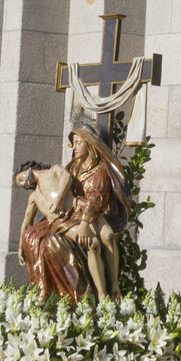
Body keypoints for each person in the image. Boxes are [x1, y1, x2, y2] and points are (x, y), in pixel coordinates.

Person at [66, 125, 130, 301]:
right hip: (74, 212)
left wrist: (85, 224)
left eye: (79, 142)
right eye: (74, 143)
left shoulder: (99, 170)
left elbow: (96, 198)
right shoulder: (73, 168)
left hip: (91, 214)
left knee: (109, 236)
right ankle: (102, 294)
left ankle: (115, 285)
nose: (75, 147)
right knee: (93, 245)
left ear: (90, 145)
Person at [15, 159, 88, 302]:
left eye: (22, 179)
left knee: (90, 242)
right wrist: (20, 247)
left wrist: (59, 199)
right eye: (21, 185)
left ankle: (89, 291)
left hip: (73, 215)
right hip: (58, 225)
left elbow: (66, 176)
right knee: (36, 240)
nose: (24, 184)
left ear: (29, 169)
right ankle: (51, 292)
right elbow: (27, 222)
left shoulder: (54, 170)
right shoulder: (34, 196)